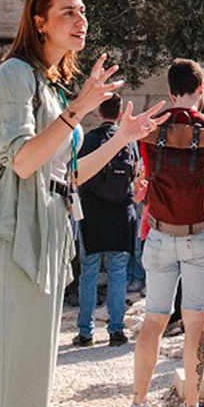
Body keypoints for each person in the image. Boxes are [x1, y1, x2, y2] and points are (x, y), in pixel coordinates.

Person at [0, 0, 163, 407]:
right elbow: (21, 161)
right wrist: (80, 110)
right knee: (1, 363)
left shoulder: (52, 89)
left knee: (33, 364)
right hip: (12, 228)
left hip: (51, 226)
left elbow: (71, 176)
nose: (80, 20)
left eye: (82, 10)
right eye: (67, 12)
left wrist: (119, 139)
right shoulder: (15, 72)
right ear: (40, 23)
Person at [127, 58, 204, 407]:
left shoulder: (151, 129)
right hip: (201, 234)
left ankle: (138, 403)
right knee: (195, 325)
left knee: (154, 321)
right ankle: (192, 406)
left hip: (158, 233)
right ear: (201, 89)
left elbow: (146, 174)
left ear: (170, 91)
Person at [73, 94, 140, 348]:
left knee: (88, 273)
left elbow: (78, 174)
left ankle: (86, 332)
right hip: (122, 212)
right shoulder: (127, 141)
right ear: (121, 114)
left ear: (99, 112)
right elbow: (134, 176)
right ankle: (116, 330)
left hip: (92, 213)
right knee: (118, 272)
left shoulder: (89, 139)